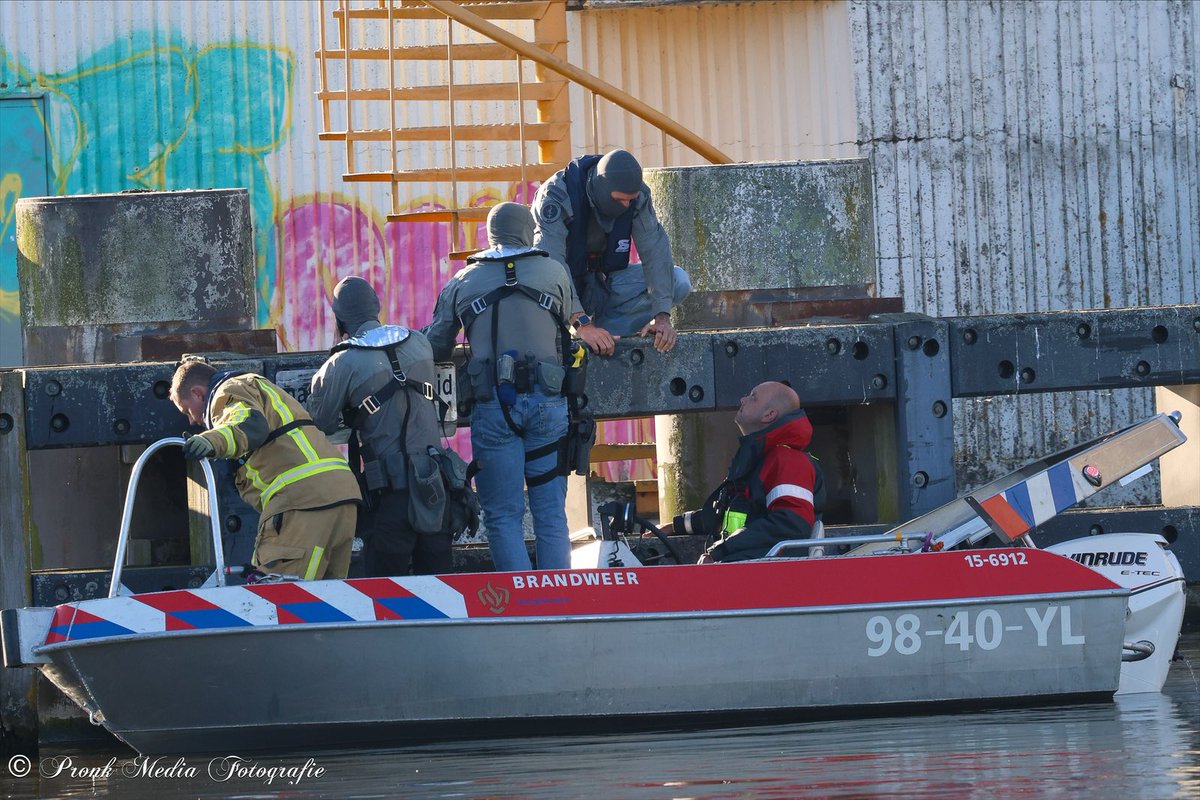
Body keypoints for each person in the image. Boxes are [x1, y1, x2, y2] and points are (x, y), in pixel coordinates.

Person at [424, 202, 575, 571]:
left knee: (503, 516)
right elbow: (570, 325)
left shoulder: (463, 280)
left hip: (494, 408)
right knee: (551, 515)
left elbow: (437, 344)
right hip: (549, 404)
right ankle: (561, 603)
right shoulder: (554, 271)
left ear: (491, 235)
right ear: (528, 229)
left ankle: (523, 607)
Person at [307, 276, 454, 577]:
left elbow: (319, 419)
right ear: (377, 308)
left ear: (339, 320)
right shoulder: (419, 342)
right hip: (435, 489)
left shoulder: (343, 362)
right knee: (444, 590)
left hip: (389, 498)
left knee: (386, 596)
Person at [170, 360, 360, 580]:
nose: (192, 420)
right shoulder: (261, 388)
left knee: (278, 602)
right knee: (330, 603)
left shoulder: (228, 391)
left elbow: (249, 425)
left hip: (301, 502)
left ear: (198, 393)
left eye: (187, 410)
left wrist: (211, 441)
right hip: (342, 496)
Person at [531, 148, 691, 356]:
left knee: (679, 280)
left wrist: (662, 317)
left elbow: (655, 251)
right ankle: (575, 334)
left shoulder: (638, 195)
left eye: (630, 200)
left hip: (602, 283)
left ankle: (608, 334)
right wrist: (582, 323)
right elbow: (550, 266)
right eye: (620, 200)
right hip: (556, 292)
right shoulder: (555, 196)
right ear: (602, 190)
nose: (627, 205)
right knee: (539, 290)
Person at [676, 381, 826, 563]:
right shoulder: (760, 459)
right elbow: (722, 513)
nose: (743, 399)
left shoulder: (788, 461)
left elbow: (789, 524)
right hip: (750, 570)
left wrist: (720, 551)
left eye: (753, 397)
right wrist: (675, 526)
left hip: (768, 577)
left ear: (769, 415)